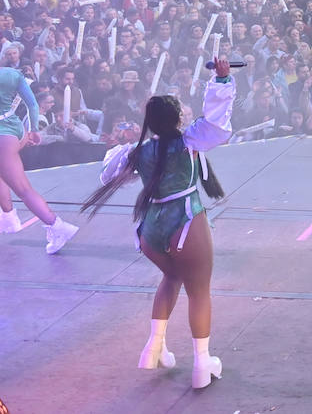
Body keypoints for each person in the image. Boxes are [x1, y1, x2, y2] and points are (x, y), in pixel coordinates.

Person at [81, 57, 234, 389]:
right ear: (178, 118)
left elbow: (109, 174)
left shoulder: (136, 152)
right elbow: (218, 124)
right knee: (199, 291)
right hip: (186, 222)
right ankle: (202, 364)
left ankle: (154, 345)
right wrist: (221, 81)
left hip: (151, 231)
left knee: (171, 277)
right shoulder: (190, 141)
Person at [0, 63, 81, 252]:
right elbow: (33, 105)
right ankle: (8, 216)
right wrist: (34, 130)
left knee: (23, 189)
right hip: (15, 129)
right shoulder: (12, 74)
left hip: (2, 137)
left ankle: (57, 226)